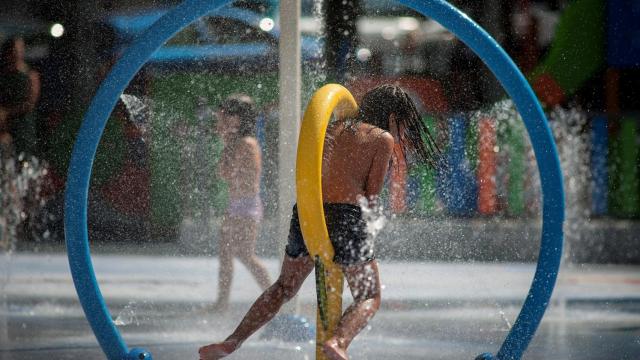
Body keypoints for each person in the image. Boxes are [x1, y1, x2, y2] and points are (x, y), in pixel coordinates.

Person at [199, 85, 441, 360]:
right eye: (403, 126)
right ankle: (338, 343)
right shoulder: (381, 138)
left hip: (307, 214)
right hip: (347, 217)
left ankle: (231, 342)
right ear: (393, 116)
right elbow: (371, 195)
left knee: (283, 288)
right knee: (368, 295)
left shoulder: (331, 127)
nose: (400, 134)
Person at [212, 94, 272, 311]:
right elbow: (224, 173)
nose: (222, 122)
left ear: (237, 119)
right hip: (236, 205)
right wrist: (226, 140)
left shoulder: (247, 144)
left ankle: (276, 297)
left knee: (245, 255)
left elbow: (227, 172)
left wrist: (226, 140)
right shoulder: (236, 143)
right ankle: (221, 303)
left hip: (247, 207)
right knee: (226, 254)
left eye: (226, 117)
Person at [0, 36, 40, 157]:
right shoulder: (4, 75)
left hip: (23, 126)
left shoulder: (30, 75)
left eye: (20, 49)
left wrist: (7, 112)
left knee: (23, 158)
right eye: (14, 49)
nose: (17, 52)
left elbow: (30, 104)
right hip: (4, 125)